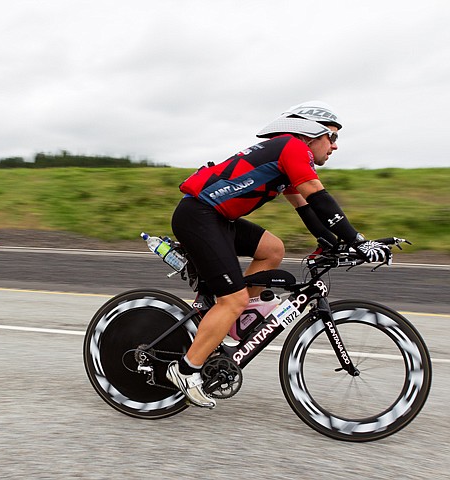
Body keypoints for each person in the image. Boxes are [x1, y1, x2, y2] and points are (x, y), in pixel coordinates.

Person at [166, 101, 392, 407]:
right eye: (333, 137)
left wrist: (331, 243)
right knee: (233, 299)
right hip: (199, 217)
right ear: (310, 132)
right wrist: (357, 240)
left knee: (273, 249)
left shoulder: (284, 155)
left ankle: (231, 327)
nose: (335, 146)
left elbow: (306, 207)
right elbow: (318, 195)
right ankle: (185, 369)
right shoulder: (291, 147)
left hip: (217, 219)